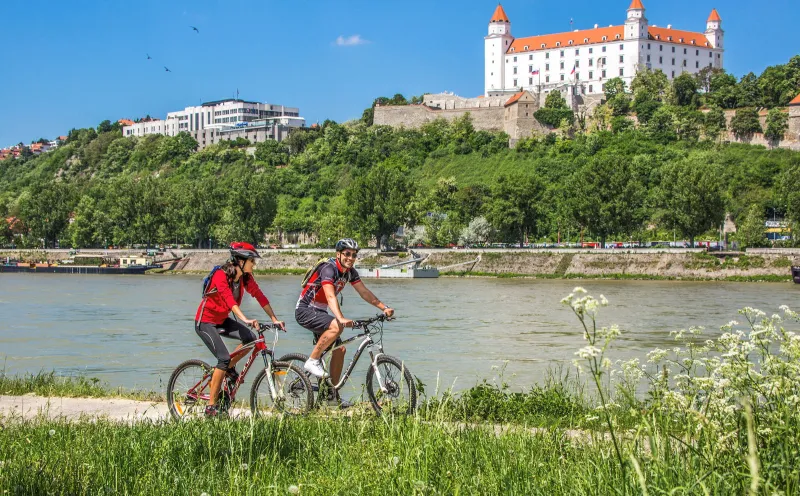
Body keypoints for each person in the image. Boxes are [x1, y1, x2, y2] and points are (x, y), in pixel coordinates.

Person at [295, 238, 394, 407]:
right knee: (336, 326)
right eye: (347, 254)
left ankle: (331, 396)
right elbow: (330, 295)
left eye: (354, 255)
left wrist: (383, 307)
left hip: (320, 312)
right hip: (305, 310)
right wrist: (340, 318)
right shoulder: (329, 269)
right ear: (339, 254)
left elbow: (364, 292)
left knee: (340, 350)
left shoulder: (349, 272)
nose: (351, 257)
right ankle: (312, 360)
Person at [195, 241, 284, 417]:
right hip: (205, 322)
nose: (255, 264)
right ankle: (211, 407)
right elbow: (229, 301)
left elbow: (260, 296)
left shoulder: (245, 278)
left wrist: (274, 319)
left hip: (222, 320)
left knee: (250, 339)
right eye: (252, 260)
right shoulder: (221, 276)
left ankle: (227, 368)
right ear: (240, 260)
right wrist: (245, 319)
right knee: (223, 358)